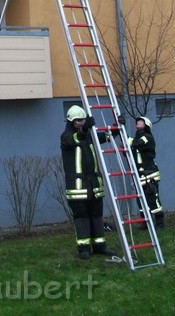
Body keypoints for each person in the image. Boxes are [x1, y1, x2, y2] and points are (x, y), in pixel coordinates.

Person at [60, 105, 118, 260]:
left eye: (82, 120)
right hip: (77, 188)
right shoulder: (66, 137)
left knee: (96, 216)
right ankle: (83, 248)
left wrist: (117, 128)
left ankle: (100, 246)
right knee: (82, 218)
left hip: (94, 186)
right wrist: (84, 129)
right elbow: (75, 138)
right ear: (71, 122)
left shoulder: (90, 136)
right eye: (78, 121)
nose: (81, 123)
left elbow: (105, 137)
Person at [127, 116, 164, 230]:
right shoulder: (138, 138)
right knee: (141, 201)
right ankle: (145, 223)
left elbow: (135, 143)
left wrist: (123, 135)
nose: (138, 122)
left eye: (141, 121)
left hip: (150, 174)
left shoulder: (147, 137)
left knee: (152, 198)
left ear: (146, 125)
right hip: (140, 175)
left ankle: (159, 223)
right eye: (137, 121)